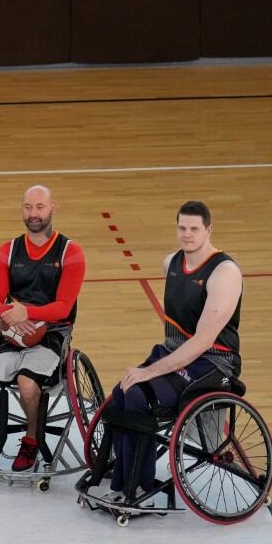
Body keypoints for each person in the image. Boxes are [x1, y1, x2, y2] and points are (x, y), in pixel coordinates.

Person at [106, 201, 242, 496]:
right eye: (182, 228)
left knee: (140, 397)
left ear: (209, 230)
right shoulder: (171, 264)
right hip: (174, 352)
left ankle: (136, 486)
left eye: (195, 229)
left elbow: (203, 341)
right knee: (119, 394)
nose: (188, 234)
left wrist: (149, 372)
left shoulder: (224, 272)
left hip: (212, 362)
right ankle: (123, 473)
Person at [0, 185, 86, 472]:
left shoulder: (71, 252)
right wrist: (14, 316)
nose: (34, 214)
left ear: (53, 207)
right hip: (14, 331)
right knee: (8, 376)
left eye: (40, 207)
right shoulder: (7, 251)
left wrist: (27, 312)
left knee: (27, 384)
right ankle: (25, 427)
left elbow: (63, 307)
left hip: (53, 333)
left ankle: (31, 439)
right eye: (28, 207)